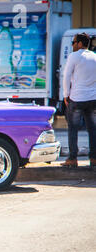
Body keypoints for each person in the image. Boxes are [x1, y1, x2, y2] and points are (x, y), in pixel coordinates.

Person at [61, 32, 96, 169]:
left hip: (77, 98)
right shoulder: (94, 57)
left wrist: (65, 94)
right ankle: (94, 158)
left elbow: (66, 76)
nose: (72, 45)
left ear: (80, 44)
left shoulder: (74, 56)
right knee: (93, 129)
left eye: (74, 42)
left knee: (73, 129)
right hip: (93, 99)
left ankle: (72, 159)